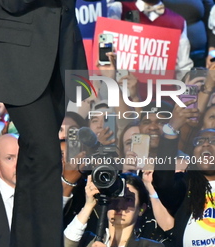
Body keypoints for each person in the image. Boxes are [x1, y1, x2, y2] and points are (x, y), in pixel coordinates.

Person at [0, 0, 109, 246]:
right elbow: (10, 0)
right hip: (18, 56)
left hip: (61, 53)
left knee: (33, 156)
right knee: (47, 152)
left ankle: (24, 240)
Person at [153, 101, 215, 247]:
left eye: (213, 141)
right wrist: (171, 129)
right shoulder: (184, 186)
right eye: (199, 141)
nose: (206, 144)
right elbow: (163, 181)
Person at [64, 174, 164, 247]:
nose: (120, 205)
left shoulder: (150, 246)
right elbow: (65, 244)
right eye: (115, 198)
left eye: (128, 199)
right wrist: (89, 205)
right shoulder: (87, 240)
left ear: (141, 209)